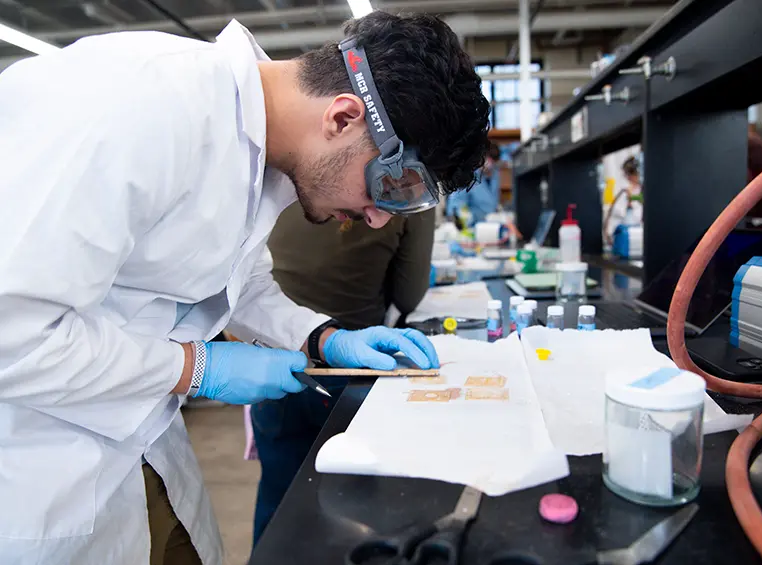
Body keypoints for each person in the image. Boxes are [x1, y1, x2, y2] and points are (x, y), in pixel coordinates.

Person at [0, 11, 489, 565]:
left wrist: (321, 339)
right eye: (390, 187)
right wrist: (199, 368)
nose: (380, 219)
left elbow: (242, 283)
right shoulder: (139, 105)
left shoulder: (259, 148)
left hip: (135, 449)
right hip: (36, 466)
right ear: (344, 117)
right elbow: (12, 332)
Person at [250, 203, 435, 548]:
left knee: (279, 502)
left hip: (274, 359)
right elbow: (408, 295)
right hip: (345, 375)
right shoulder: (409, 192)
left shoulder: (289, 179)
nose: (374, 217)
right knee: (349, 511)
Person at [446, 143, 502, 226]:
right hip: (470, 226)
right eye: (488, 158)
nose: (490, 163)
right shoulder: (468, 176)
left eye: (493, 159)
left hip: (489, 226)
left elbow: (492, 203)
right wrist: (468, 218)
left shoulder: (495, 175)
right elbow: (456, 205)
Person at [603, 155, 644, 245]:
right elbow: (614, 212)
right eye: (627, 175)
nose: (628, 177)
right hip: (626, 233)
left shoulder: (643, 189)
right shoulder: (624, 190)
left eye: (629, 174)